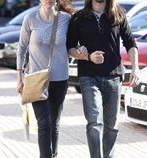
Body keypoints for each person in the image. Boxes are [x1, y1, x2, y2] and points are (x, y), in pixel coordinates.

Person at [67, 0, 140, 157]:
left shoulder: (118, 14)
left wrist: (136, 68)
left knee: (111, 124)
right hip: (88, 76)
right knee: (94, 121)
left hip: (114, 76)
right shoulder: (79, 17)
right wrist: (87, 56)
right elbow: (70, 48)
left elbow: (130, 42)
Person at [16, 0, 74, 157]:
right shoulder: (30, 18)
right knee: (44, 124)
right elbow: (21, 48)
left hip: (60, 79)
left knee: (54, 122)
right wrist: (19, 78)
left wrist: (81, 49)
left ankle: (53, 154)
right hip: (36, 79)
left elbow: (72, 45)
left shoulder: (66, 19)